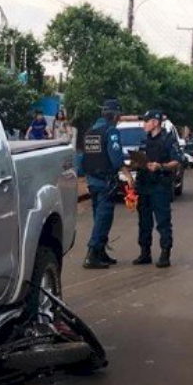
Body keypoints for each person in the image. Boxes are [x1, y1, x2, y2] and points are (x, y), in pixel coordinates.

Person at [78, 98, 132, 269]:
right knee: (104, 219)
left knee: (98, 217)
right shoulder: (111, 131)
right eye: (119, 115)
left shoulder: (90, 131)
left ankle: (101, 252)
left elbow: (82, 158)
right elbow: (116, 158)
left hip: (92, 180)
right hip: (105, 182)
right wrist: (128, 176)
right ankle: (92, 254)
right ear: (115, 116)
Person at [134, 110, 181, 268]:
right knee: (144, 221)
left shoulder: (168, 139)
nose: (144, 124)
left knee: (163, 221)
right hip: (144, 185)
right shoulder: (144, 139)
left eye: (146, 121)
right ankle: (145, 253)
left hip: (160, 185)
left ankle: (165, 253)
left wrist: (160, 166)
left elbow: (177, 161)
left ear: (155, 122)